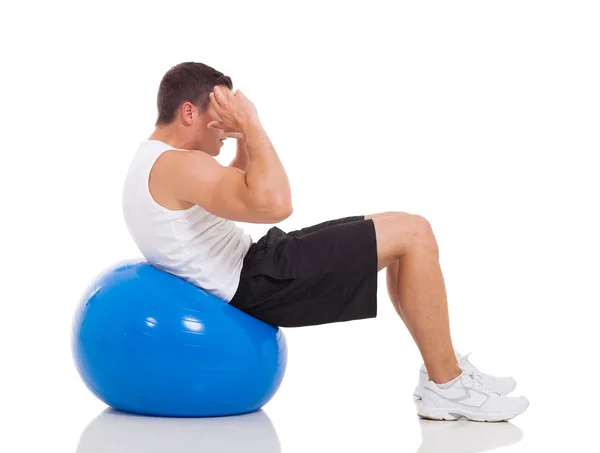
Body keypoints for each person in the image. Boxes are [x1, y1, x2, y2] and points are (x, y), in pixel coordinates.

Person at [122, 62, 529, 422]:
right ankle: (448, 384)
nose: (225, 129)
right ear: (189, 111)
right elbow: (276, 203)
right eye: (220, 114)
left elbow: (239, 184)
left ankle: (441, 369)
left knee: (403, 227)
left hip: (260, 262)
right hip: (257, 282)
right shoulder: (178, 164)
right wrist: (253, 125)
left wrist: (243, 136)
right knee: (414, 233)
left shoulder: (156, 160)